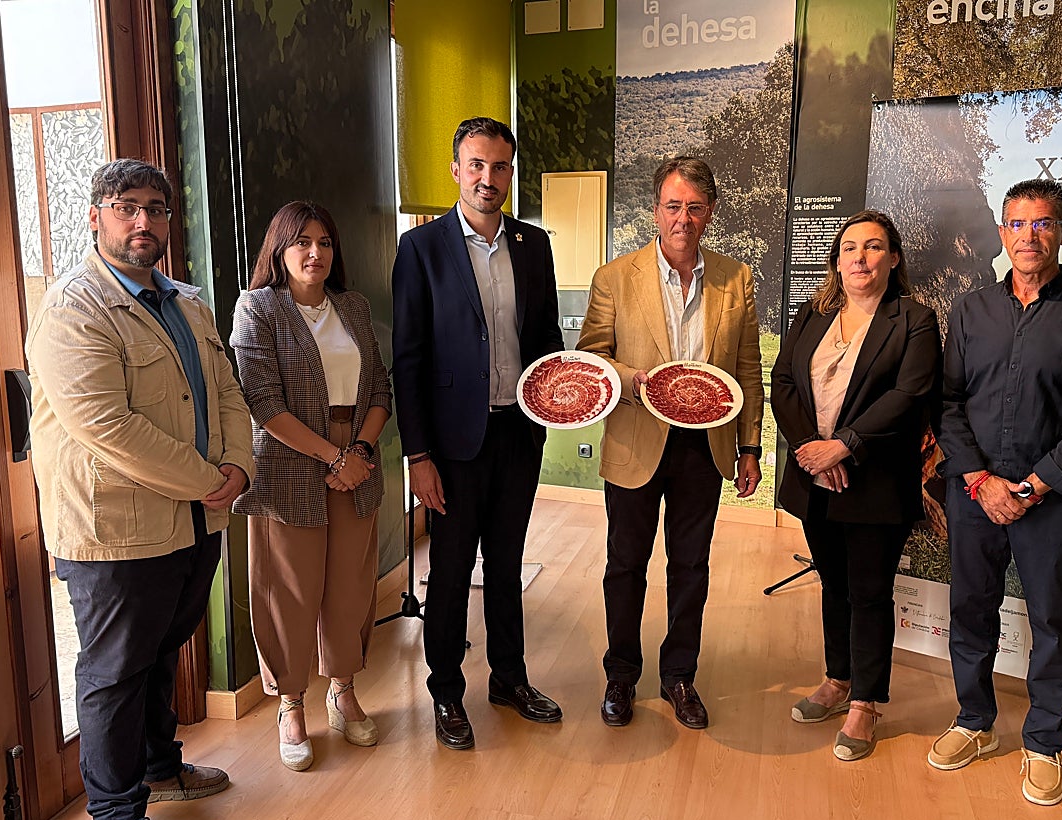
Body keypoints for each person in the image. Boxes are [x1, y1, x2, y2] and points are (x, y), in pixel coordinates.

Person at [25, 159, 253, 820]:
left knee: (160, 651)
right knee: (115, 672)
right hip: (112, 529)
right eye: (126, 207)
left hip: (191, 518)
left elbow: (229, 392)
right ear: (95, 216)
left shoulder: (188, 301)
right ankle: (115, 819)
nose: (143, 221)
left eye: (156, 208)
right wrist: (211, 479)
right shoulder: (73, 309)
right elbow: (108, 427)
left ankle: (160, 768)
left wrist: (238, 464)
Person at [929, 179, 1062, 806]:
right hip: (975, 493)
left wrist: (1035, 484)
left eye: (1042, 224)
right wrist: (982, 481)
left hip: (1055, 500)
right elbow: (948, 402)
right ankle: (974, 722)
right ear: (1004, 233)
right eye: (1016, 224)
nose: (1028, 236)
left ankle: (1043, 743)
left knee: (1053, 618)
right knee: (971, 609)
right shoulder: (969, 311)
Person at [391, 116, 565, 750]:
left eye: (499, 167)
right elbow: (406, 359)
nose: (488, 178)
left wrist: (557, 401)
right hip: (451, 445)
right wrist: (418, 455)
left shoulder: (534, 245)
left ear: (510, 173)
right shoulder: (421, 249)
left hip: (519, 434)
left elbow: (545, 338)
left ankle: (509, 679)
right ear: (455, 170)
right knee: (452, 569)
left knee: (508, 563)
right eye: (476, 165)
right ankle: (444, 692)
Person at [577, 156, 764, 730]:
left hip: (704, 448)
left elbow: (749, 368)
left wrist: (751, 448)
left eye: (695, 208)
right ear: (655, 210)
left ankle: (680, 676)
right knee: (624, 566)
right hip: (636, 441)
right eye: (673, 206)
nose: (683, 218)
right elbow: (592, 356)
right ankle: (621, 675)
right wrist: (637, 381)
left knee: (692, 566)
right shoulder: (615, 277)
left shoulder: (736, 278)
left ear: (710, 214)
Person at [771, 210, 941, 760]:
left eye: (873, 248)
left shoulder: (913, 319)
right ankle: (837, 679)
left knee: (869, 593)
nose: (860, 258)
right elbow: (784, 382)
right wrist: (812, 453)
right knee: (834, 585)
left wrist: (844, 445)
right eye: (849, 249)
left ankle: (866, 703)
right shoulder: (813, 313)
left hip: (875, 482)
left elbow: (909, 396)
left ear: (893, 259)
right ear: (836, 261)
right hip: (815, 476)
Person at [229, 202, 392, 771]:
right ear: (278, 249)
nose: (315, 253)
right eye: (301, 242)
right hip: (288, 462)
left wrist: (361, 452)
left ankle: (342, 693)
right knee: (289, 591)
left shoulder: (353, 306)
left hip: (356, 461)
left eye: (325, 242)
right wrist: (332, 455)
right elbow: (261, 402)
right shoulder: (258, 309)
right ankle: (291, 705)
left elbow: (380, 392)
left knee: (349, 585)